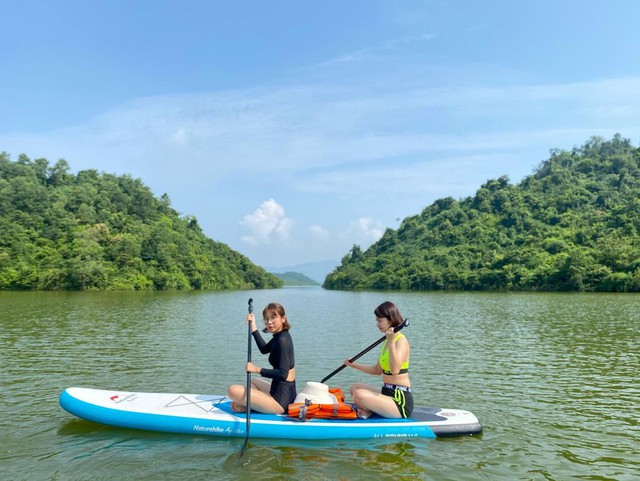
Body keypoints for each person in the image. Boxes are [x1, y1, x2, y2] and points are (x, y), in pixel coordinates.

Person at [343, 301, 413, 419]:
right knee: (354, 387)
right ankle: (369, 410)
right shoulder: (386, 341)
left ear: (390, 320)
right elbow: (377, 370)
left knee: (359, 395)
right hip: (386, 392)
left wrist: (391, 341)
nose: (377, 324)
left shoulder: (401, 340)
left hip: (399, 400)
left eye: (380, 320)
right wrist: (354, 365)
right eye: (377, 320)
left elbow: (395, 370)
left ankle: (368, 410)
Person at [227, 302, 296, 414]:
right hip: (280, 391)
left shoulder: (282, 341)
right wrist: (253, 327)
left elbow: (283, 374)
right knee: (253, 382)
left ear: (283, 319)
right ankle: (255, 405)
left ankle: (255, 406)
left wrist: (256, 369)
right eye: (266, 319)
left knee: (232, 391)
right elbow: (264, 349)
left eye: (273, 318)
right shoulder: (280, 336)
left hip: (281, 402)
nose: (269, 322)